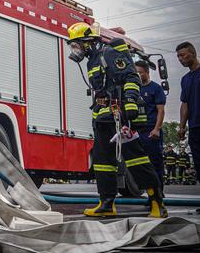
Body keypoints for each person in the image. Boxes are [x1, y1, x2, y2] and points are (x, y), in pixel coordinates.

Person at [66, 22, 166, 218]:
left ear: (88, 42)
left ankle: (157, 203)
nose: (74, 49)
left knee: (136, 159)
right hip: (103, 118)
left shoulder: (108, 54)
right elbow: (102, 87)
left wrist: (129, 101)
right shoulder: (92, 61)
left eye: (76, 44)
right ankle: (106, 204)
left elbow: (131, 77)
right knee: (103, 162)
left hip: (119, 117)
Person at [133, 60, 166, 188]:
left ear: (147, 72)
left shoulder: (156, 88)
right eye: (135, 73)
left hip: (151, 132)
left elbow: (161, 111)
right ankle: (150, 195)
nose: (138, 75)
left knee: (154, 164)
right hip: (137, 132)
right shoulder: (134, 89)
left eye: (140, 72)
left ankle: (158, 195)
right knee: (142, 165)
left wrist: (156, 129)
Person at [176, 41, 200, 184]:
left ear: (192, 53)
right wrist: (182, 126)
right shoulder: (185, 79)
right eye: (178, 57)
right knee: (199, 164)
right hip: (194, 128)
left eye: (182, 55)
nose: (180, 59)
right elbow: (184, 103)